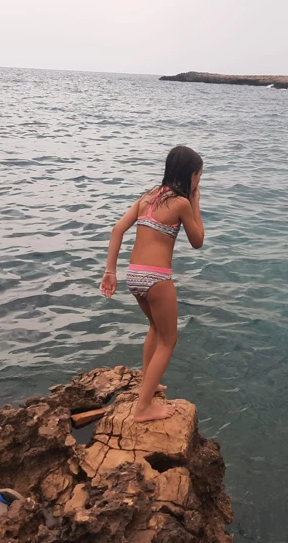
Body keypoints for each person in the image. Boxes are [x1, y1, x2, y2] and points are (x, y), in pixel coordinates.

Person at [99, 145, 204, 422]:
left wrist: (111, 271)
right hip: (157, 278)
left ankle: (148, 382)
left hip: (134, 276)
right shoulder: (180, 203)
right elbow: (198, 241)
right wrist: (195, 201)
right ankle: (143, 408)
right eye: (199, 176)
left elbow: (117, 229)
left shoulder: (147, 197)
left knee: (155, 328)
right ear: (191, 175)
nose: (200, 181)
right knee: (169, 340)